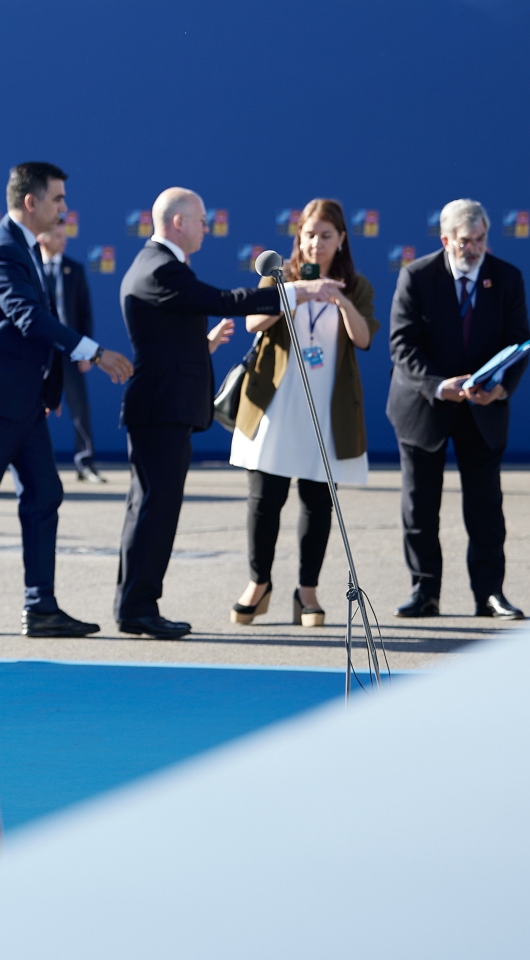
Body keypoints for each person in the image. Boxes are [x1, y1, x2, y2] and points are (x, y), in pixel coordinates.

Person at [117, 187, 341, 639]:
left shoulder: (157, 265)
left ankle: (137, 605)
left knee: (150, 509)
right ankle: (138, 607)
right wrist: (296, 291)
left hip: (160, 408)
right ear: (178, 222)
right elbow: (223, 301)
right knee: (154, 512)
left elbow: (165, 338)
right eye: (202, 219)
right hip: (160, 411)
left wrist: (201, 345)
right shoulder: (161, 267)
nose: (208, 227)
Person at [0, 164, 134, 640]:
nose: (64, 208)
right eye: (58, 199)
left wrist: (48, 389)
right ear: (31, 202)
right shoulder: (1, 250)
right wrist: (94, 352)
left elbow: (32, 326)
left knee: (44, 494)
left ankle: (41, 607)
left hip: (24, 401)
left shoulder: (23, 246)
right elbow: (28, 318)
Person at [228, 200, 379, 627]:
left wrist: (340, 299)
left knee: (317, 504)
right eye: (309, 234)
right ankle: (259, 583)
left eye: (326, 236)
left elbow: (364, 339)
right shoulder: (279, 276)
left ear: (342, 239)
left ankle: (307, 592)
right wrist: (300, 291)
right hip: (276, 406)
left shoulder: (357, 285)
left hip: (326, 411)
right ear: (299, 236)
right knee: (264, 501)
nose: (316, 243)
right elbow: (253, 322)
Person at [387, 199, 529, 620]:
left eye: (481, 239)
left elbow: (518, 341)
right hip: (424, 404)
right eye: (466, 241)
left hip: (481, 407)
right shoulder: (416, 276)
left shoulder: (506, 277)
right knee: (420, 506)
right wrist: (438, 386)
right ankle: (424, 591)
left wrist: (500, 388)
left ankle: (490, 594)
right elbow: (402, 345)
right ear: (446, 239)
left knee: (485, 506)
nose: (475, 248)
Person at [36, 226, 105, 482]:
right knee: (34, 408)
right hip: (41, 353)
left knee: (79, 407)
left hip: (72, 352)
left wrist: (87, 351)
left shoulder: (74, 269)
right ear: (42, 238)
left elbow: (85, 314)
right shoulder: (31, 268)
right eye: (57, 236)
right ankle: (33, 465)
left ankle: (85, 463)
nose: (63, 241)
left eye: (64, 236)